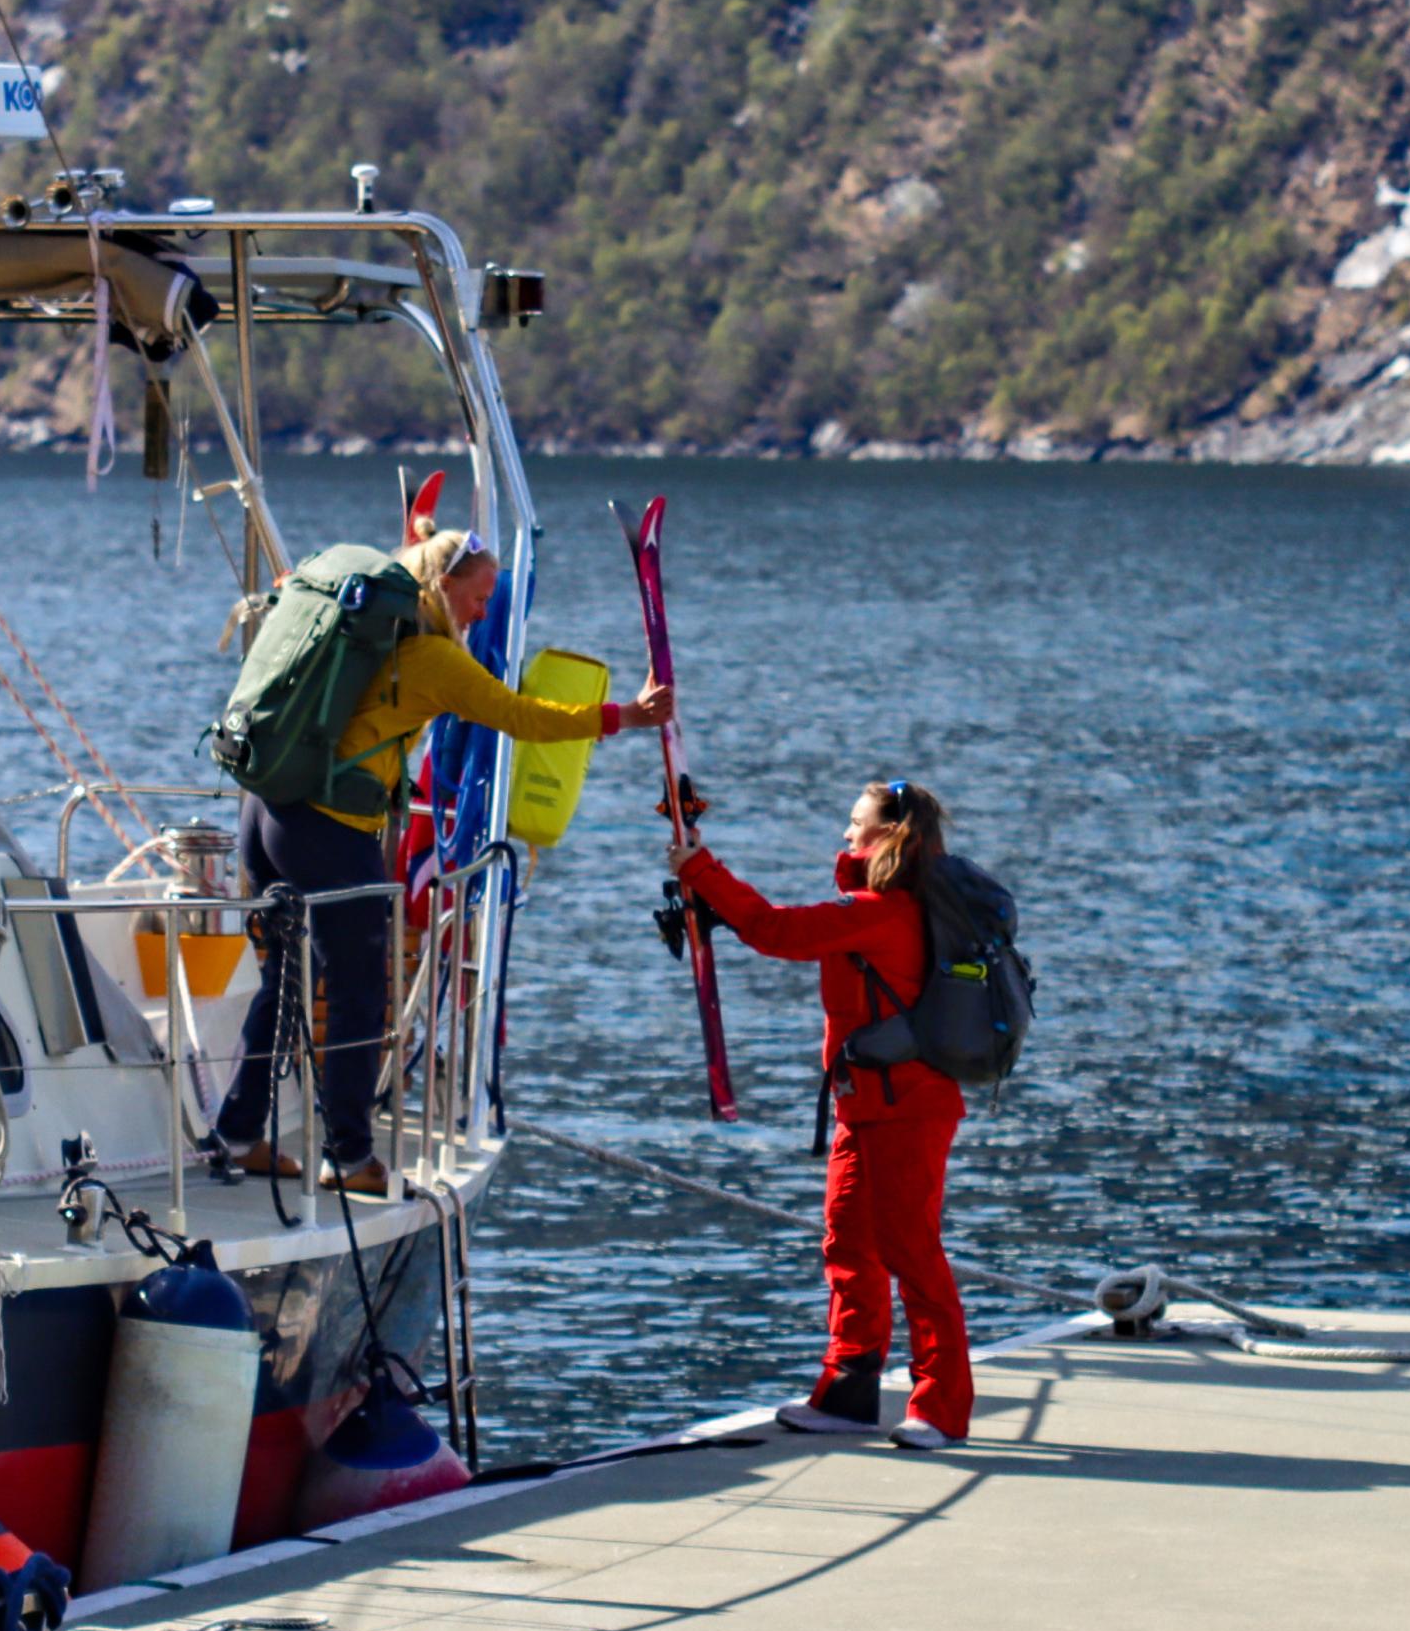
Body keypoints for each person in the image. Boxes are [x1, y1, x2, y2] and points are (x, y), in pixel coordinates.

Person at [213, 529, 668, 1196]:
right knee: (359, 992)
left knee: (285, 978)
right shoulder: (427, 656)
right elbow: (518, 715)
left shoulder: (363, 629)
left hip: (265, 809)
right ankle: (349, 1155)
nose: (483, 613)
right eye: (479, 597)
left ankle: (239, 1134)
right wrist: (624, 715)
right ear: (444, 586)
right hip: (328, 828)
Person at [678, 780, 973, 1450]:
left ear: (890, 838)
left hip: (909, 1109)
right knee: (848, 1245)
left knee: (911, 1252)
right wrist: (709, 889)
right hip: (863, 1103)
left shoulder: (887, 912)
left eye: (856, 825)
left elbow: (778, 930)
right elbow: (778, 928)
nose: (846, 836)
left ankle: (942, 1408)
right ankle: (847, 1394)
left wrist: (701, 869)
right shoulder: (875, 908)